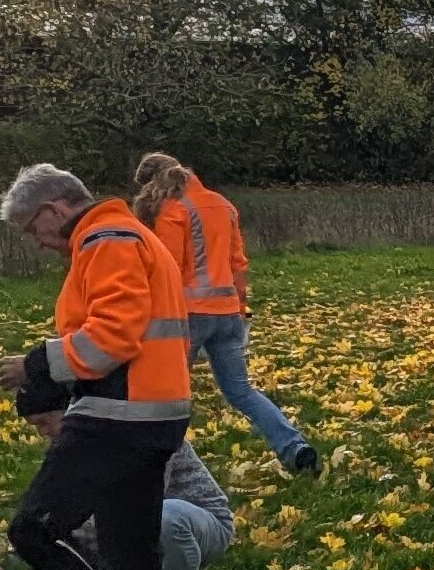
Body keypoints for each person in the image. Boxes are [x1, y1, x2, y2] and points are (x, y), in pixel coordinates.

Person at [0, 163, 193, 570]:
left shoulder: (105, 240)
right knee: (129, 545)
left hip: (116, 416)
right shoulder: (129, 234)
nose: (38, 244)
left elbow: (111, 338)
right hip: (154, 413)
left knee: (34, 530)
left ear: (55, 211)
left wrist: (34, 365)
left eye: (32, 229)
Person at [129, 153, 320, 476]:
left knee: (166, 395)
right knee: (243, 392)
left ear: (152, 183)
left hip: (186, 316)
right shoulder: (223, 204)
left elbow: (166, 269)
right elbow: (238, 264)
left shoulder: (172, 210)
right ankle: (294, 448)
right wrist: (241, 310)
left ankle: (155, 468)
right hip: (229, 311)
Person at [30, 399, 239, 570]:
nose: (42, 432)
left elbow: (145, 502)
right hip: (138, 533)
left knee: (165, 516)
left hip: (202, 524)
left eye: (44, 422)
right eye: (36, 426)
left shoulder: (148, 432)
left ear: (71, 412)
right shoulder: (68, 452)